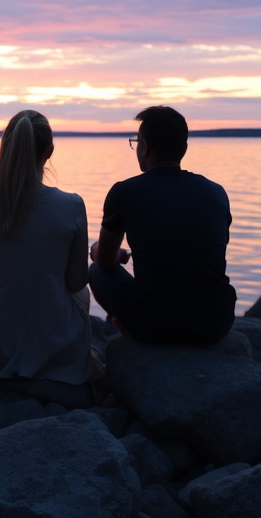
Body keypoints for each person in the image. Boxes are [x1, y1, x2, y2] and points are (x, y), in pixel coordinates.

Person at [0, 110, 96, 389]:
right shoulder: (72, 206)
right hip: (56, 343)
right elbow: (76, 281)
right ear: (50, 152)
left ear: (6, 149)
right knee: (83, 292)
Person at [89, 105, 236, 344]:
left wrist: (96, 250)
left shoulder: (124, 192)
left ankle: (127, 327)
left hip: (155, 327)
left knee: (96, 271)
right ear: (184, 149)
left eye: (136, 143)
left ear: (144, 147)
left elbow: (105, 261)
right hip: (215, 324)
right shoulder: (216, 192)